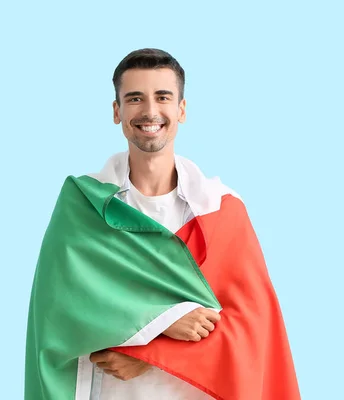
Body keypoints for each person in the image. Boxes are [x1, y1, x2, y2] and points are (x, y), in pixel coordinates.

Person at [24, 49, 300, 400]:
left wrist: (149, 353)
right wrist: (169, 321)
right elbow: (61, 313)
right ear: (116, 112)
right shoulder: (84, 206)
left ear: (181, 110)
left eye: (163, 97)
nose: (150, 111)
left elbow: (252, 326)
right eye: (135, 98)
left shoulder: (220, 209)